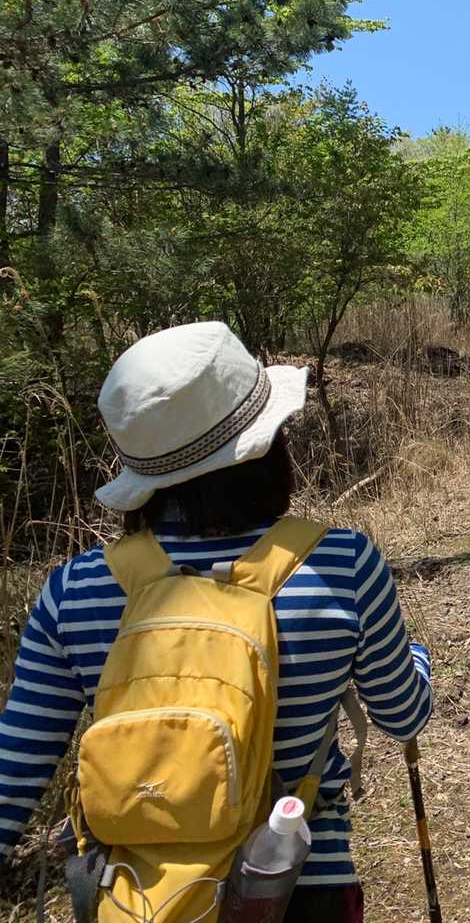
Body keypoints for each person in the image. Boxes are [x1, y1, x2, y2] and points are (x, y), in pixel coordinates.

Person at [0, 321, 432, 922]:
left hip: (140, 896)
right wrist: (417, 660)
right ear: (266, 446)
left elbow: (13, 774)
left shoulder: (74, 590)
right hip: (296, 884)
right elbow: (403, 714)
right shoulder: (343, 565)